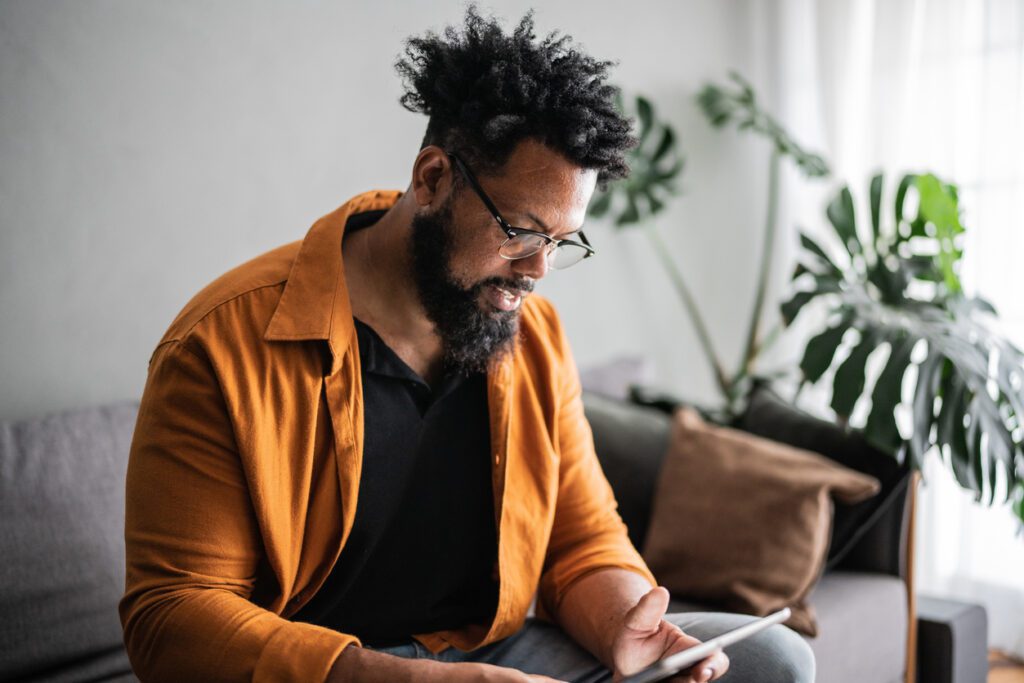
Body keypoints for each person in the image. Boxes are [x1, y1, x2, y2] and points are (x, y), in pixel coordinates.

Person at [119, 7, 815, 682]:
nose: (539, 269)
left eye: (560, 241)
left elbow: (581, 537)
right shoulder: (220, 345)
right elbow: (172, 615)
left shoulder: (532, 337)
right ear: (432, 179)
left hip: (496, 653)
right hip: (336, 672)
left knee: (774, 660)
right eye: (520, 230)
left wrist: (629, 627)